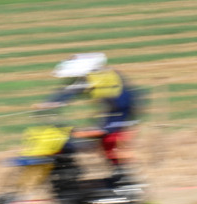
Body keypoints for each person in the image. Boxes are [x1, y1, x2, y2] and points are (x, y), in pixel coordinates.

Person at [34, 52, 142, 190]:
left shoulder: (114, 88)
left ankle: (124, 180)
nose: (78, 80)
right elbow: (69, 90)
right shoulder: (91, 79)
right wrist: (51, 103)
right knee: (73, 142)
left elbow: (120, 113)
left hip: (120, 119)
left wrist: (98, 131)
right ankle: (69, 178)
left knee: (110, 141)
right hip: (111, 117)